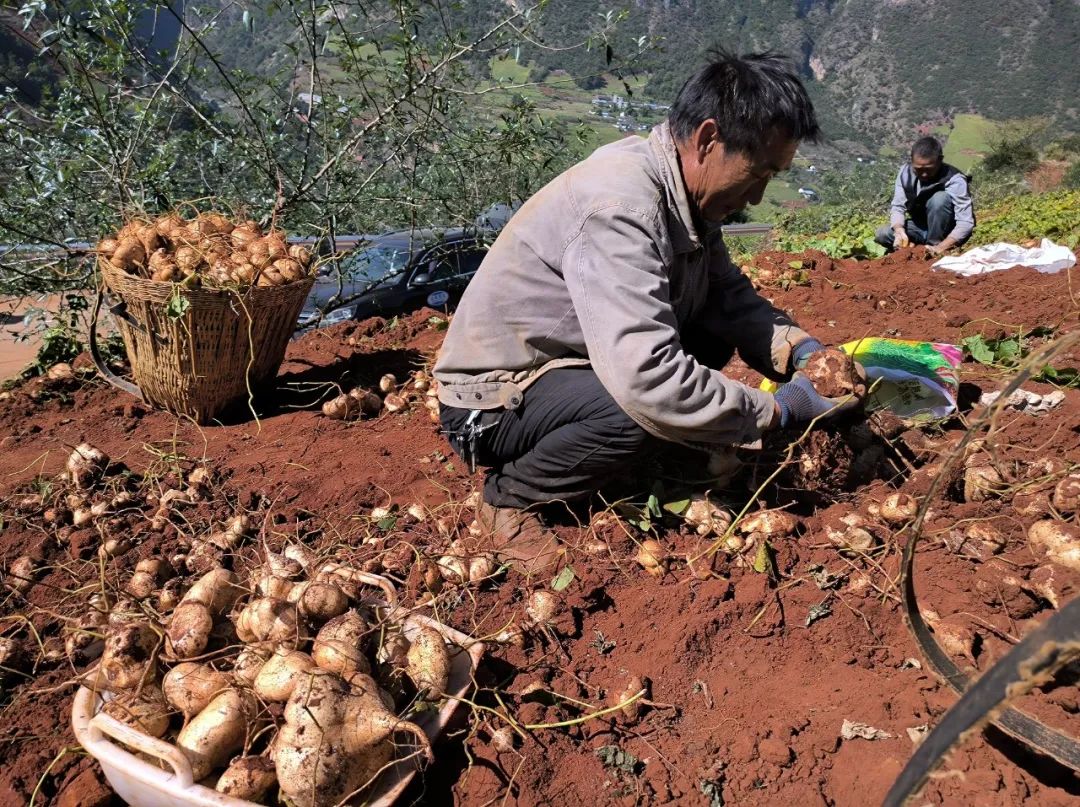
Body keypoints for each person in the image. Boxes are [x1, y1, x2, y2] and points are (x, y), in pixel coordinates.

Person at [434, 50, 855, 572]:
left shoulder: (687, 199)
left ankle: (631, 447)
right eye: (759, 172)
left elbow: (729, 296)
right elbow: (645, 382)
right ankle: (512, 497)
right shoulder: (622, 209)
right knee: (631, 410)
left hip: (563, 368)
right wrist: (778, 410)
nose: (760, 194)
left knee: (710, 334)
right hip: (490, 401)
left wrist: (801, 350)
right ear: (707, 140)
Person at [874, 136, 975, 256]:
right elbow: (898, 207)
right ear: (911, 161)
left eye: (929, 169)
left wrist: (941, 247)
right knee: (883, 233)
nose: (924, 174)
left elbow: (965, 222)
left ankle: (933, 246)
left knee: (939, 199)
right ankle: (916, 245)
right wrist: (898, 230)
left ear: (940, 160)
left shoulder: (955, 179)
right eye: (918, 170)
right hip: (919, 226)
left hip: (946, 230)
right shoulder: (905, 173)